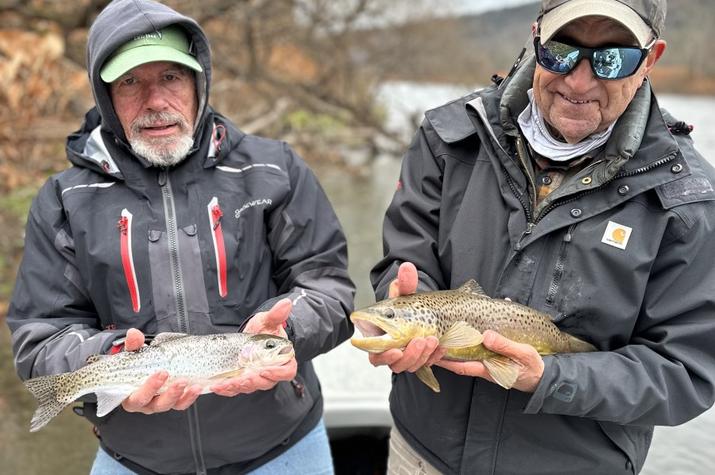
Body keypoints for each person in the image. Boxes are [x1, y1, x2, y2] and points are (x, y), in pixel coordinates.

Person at [6, 0, 355, 473]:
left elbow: (329, 289)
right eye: (131, 82)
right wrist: (115, 364)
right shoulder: (65, 199)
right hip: (135, 458)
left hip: (284, 447)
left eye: (170, 76)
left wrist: (285, 331)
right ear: (105, 95)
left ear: (198, 82)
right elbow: (39, 337)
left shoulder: (274, 170)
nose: (155, 101)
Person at [368, 0, 715, 473]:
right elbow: (406, 258)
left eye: (612, 58)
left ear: (650, 59)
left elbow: (685, 371)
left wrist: (551, 377)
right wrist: (415, 318)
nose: (578, 81)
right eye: (561, 52)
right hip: (421, 453)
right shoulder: (448, 136)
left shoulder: (689, 200)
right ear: (536, 38)